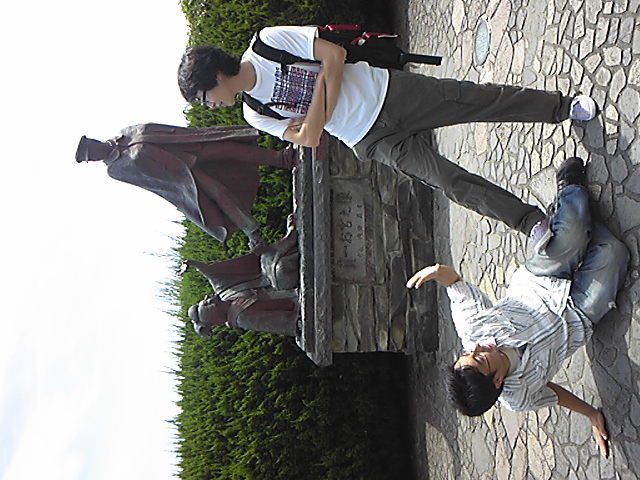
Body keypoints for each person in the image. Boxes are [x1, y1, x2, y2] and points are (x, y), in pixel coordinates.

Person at [177, 26, 598, 235]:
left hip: (390, 92)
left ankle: (562, 107)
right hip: (370, 140)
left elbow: (335, 55)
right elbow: (308, 138)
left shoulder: (267, 42)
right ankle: (530, 223)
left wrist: (317, 109)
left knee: (477, 99)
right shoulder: (254, 113)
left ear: (216, 75)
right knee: (448, 182)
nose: (210, 106)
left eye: (204, 97)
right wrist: (325, 93)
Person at [406, 157, 629, 458]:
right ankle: (574, 233)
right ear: (497, 381)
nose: (476, 348)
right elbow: (553, 394)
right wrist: (591, 413)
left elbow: (454, 283)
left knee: (575, 228)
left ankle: (569, 197)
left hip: (543, 279)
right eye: (480, 359)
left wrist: (434, 271)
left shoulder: (472, 329)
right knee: (615, 252)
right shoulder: (519, 397)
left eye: (467, 353)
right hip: (578, 316)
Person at [76, 123, 295, 247]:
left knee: (230, 149)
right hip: (182, 176)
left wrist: (189, 135)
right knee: (220, 194)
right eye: (91, 157)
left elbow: (159, 129)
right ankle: (251, 232)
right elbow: (152, 183)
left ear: (94, 141)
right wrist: (180, 186)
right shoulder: (115, 170)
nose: (94, 155)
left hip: (187, 146)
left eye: (91, 150)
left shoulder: (125, 133)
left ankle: (281, 159)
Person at [184, 214, 299, 337]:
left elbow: (212, 274)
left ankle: (290, 237)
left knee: (266, 256)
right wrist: (296, 323)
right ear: (212, 312)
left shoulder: (224, 293)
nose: (207, 297)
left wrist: (194, 264)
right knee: (281, 269)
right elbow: (281, 322)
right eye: (206, 302)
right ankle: (292, 243)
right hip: (286, 293)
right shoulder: (240, 317)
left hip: (266, 277)